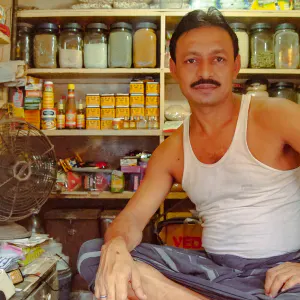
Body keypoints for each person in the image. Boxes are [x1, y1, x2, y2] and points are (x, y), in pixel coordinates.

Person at [78, 7, 300, 300]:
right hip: (217, 274)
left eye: (218, 59)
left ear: (236, 65)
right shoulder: (171, 151)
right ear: (174, 68)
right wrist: (116, 247)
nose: (205, 72)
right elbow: (131, 220)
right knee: (93, 254)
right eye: (191, 60)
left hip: (286, 272)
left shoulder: (277, 115)